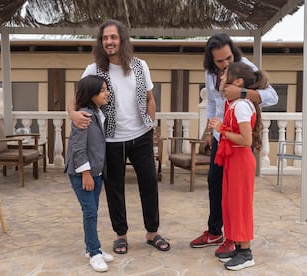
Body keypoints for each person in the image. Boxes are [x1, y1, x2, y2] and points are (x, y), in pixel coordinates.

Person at [68, 19, 170, 254]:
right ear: (100, 42)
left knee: (149, 184)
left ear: (122, 40)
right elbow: (75, 101)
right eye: (104, 38)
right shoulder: (94, 69)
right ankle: (120, 235)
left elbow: (150, 99)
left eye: (113, 37)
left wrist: (151, 126)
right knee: (115, 188)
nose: (109, 42)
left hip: (141, 136)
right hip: (111, 141)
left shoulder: (140, 65)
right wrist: (73, 114)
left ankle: (152, 232)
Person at [189, 33, 278, 258]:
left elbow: (273, 96)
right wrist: (210, 132)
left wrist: (243, 93)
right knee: (215, 183)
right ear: (211, 60)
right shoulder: (210, 73)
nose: (225, 64)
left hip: (237, 140)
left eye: (228, 58)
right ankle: (215, 231)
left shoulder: (244, 69)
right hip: (221, 137)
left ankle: (234, 238)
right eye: (219, 61)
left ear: (234, 53)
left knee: (234, 192)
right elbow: (211, 103)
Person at [209, 62, 269, 270]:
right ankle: (238, 246)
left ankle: (246, 252)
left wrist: (222, 130)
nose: (221, 81)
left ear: (238, 82)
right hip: (233, 160)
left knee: (240, 205)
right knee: (231, 204)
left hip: (241, 160)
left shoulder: (242, 106)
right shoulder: (234, 104)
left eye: (225, 77)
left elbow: (246, 140)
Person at [64, 75, 113, 272]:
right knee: (90, 212)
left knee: (91, 212)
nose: (106, 93)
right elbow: (77, 147)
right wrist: (85, 174)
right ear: (91, 94)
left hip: (96, 171)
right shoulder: (84, 115)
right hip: (82, 173)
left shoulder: (97, 113)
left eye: (106, 89)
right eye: (102, 90)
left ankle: (92, 247)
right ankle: (94, 253)